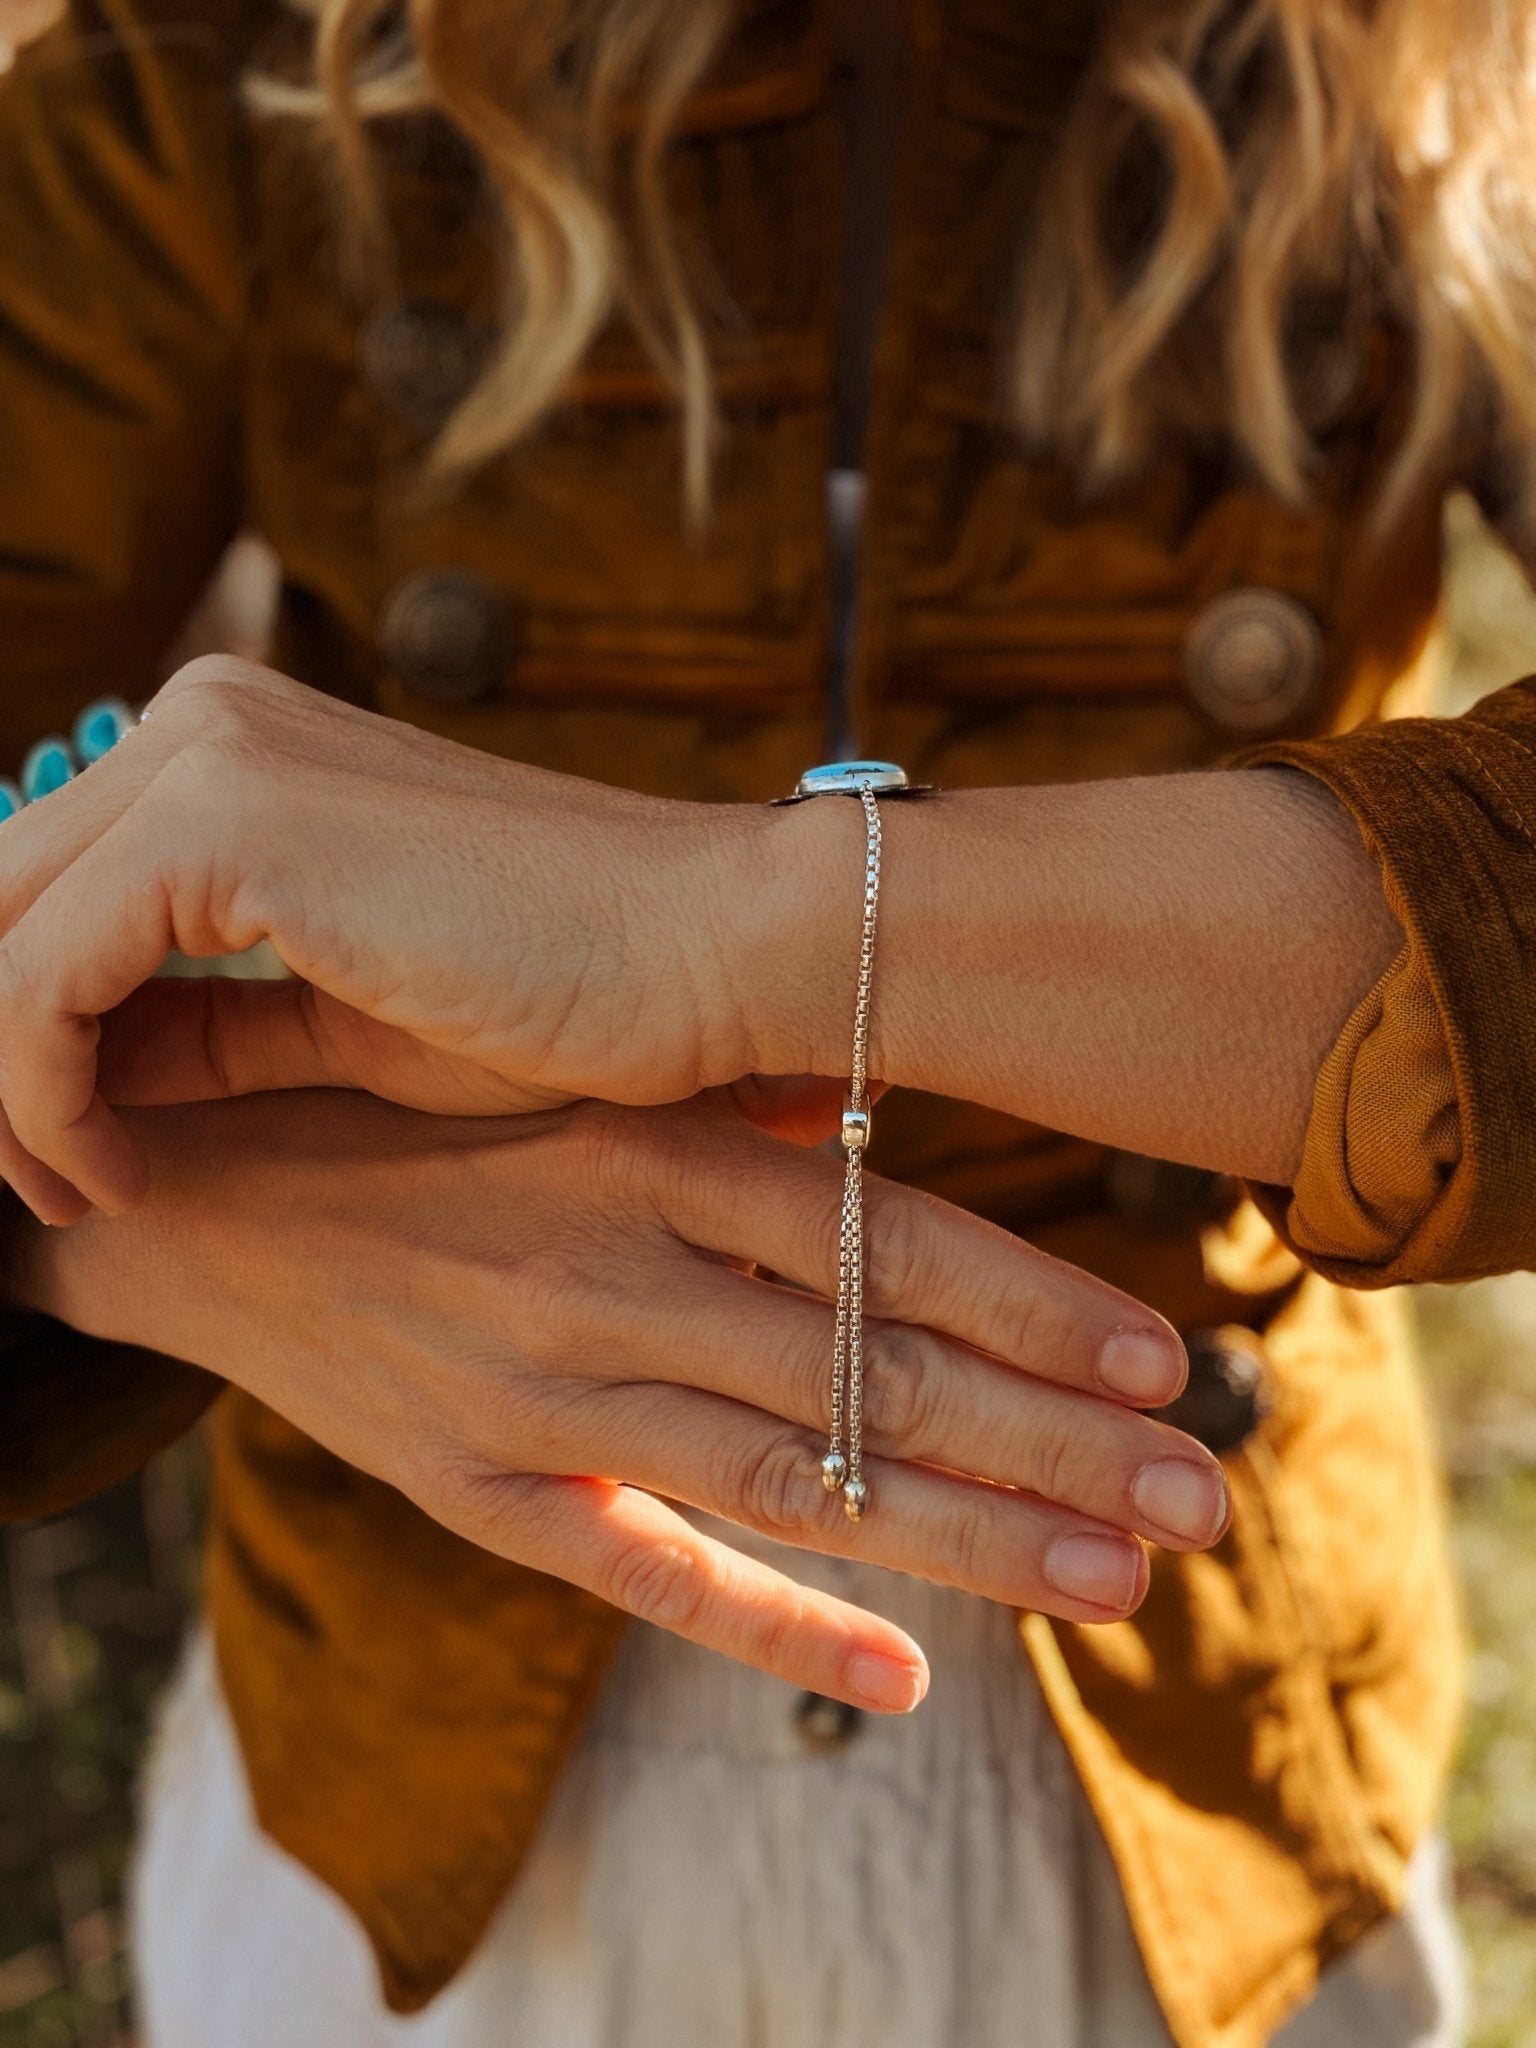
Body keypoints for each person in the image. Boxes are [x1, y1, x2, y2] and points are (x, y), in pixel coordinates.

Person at [0, 0, 1530, 2039]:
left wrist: (741, 929)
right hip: (419, 1774)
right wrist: (153, 1232)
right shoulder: (219, 60)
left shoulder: (1447, 64)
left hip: (1205, 1752)